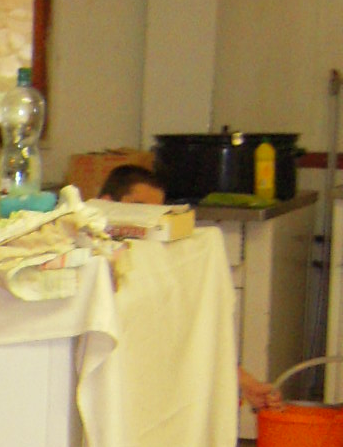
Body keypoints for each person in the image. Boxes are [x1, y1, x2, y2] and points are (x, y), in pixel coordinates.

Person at [97, 167, 283, 411]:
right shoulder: (86, 263)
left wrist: (245, 382)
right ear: (106, 203)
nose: (148, 220)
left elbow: (192, 333)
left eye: (156, 213)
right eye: (138, 207)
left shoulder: (161, 271)